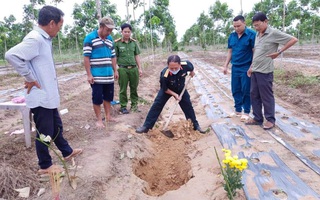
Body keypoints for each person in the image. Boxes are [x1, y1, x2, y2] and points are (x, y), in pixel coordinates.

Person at [5, 5, 82, 174]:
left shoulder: (44, 39)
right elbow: (11, 55)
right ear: (52, 23)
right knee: (44, 132)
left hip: (48, 95)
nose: (60, 30)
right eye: (60, 26)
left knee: (56, 127)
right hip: (41, 97)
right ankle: (45, 165)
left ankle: (67, 152)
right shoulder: (35, 39)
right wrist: (29, 78)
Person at [246, 12, 298, 130]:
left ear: (266, 21)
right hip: (255, 70)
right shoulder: (257, 35)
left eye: (258, 25)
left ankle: (270, 120)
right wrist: (251, 67)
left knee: (266, 96)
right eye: (254, 25)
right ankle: (257, 118)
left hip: (265, 71)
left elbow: (293, 39)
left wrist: (279, 52)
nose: (256, 28)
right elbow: (257, 52)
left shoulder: (273, 33)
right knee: (254, 95)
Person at [136, 55, 206, 134]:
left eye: (176, 68)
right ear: (168, 65)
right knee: (157, 105)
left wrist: (192, 72)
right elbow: (165, 89)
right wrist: (175, 95)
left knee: (188, 106)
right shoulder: (164, 75)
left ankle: (195, 126)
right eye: (171, 68)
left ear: (180, 64)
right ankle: (146, 127)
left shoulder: (186, 65)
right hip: (168, 90)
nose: (173, 70)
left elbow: (191, 68)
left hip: (180, 89)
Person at [83, 16, 119, 127]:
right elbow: (86, 58)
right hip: (97, 76)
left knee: (108, 97)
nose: (109, 32)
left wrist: (115, 70)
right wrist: (89, 74)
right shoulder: (90, 38)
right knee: (97, 98)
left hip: (108, 75)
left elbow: (113, 56)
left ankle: (108, 116)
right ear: (101, 26)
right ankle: (99, 120)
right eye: (108, 30)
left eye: (111, 30)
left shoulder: (110, 39)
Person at [223, 15, 256, 121]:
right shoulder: (232, 36)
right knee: (235, 89)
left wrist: (252, 66)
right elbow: (230, 51)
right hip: (235, 66)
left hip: (246, 66)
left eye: (238, 26)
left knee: (246, 89)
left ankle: (246, 111)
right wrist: (226, 65)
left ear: (244, 23)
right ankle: (238, 110)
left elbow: (255, 51)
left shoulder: (252, 35)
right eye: (234, 26)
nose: (236, 28)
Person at [115, 23, 142, 114]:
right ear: (121, 32)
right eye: (125, 31)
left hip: (134, 69)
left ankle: (134, 105)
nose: (127, 33)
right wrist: (115, 70)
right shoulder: (117, 43)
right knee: (123, 88)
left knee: (134, 87)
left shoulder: (134, 43)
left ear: (131, 32)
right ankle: (123, 106)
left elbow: (137, 56)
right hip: (122, 69)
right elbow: (114, 57)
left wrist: (140, 68)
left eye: (128, 32)